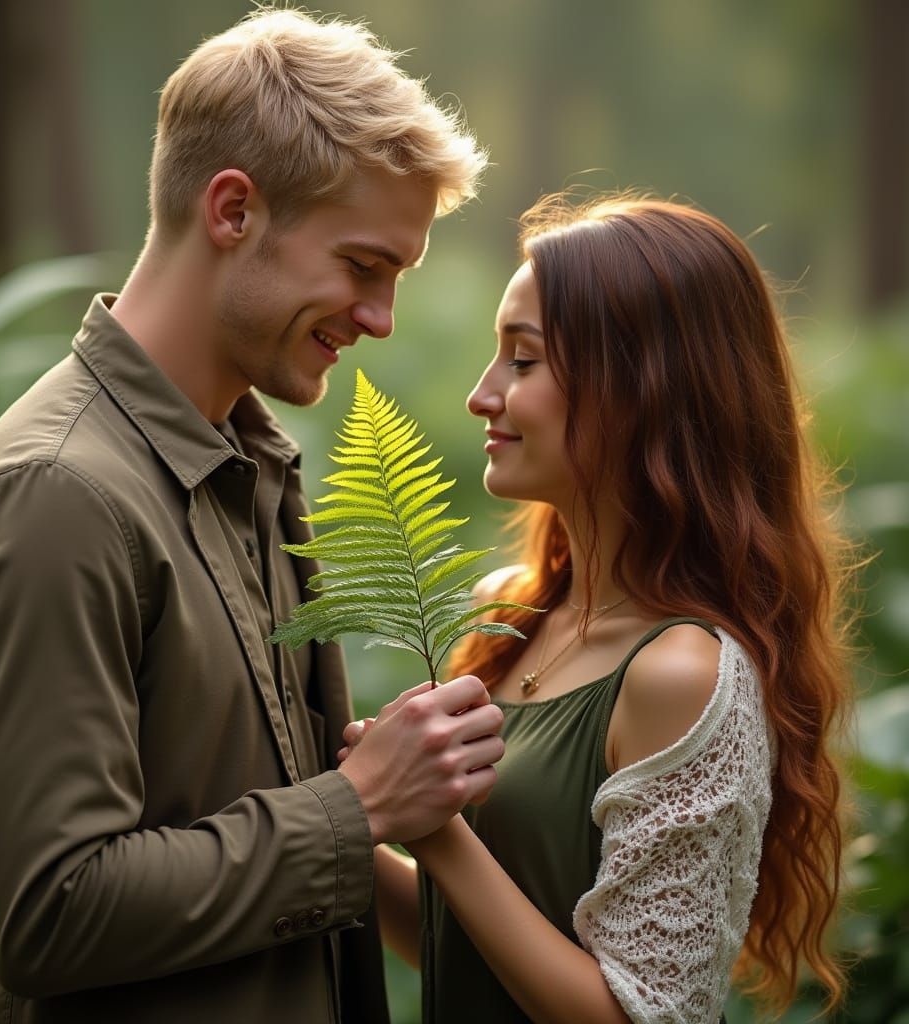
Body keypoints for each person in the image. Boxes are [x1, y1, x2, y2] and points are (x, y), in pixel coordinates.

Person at [0, 9, 503, 1023]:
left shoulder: (249, 469)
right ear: (233, 209)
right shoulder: (58, 497)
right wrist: (357, 806)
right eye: (363, 265)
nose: (380, 318)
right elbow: (51, 912)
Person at [343, 194, 856, 1022]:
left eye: (523, 361)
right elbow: (467, 938)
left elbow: (640, 1014)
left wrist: (436, 831)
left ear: (641, 386)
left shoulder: (682, 674)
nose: (482, 395)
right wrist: (349, 813)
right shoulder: (508, 612)